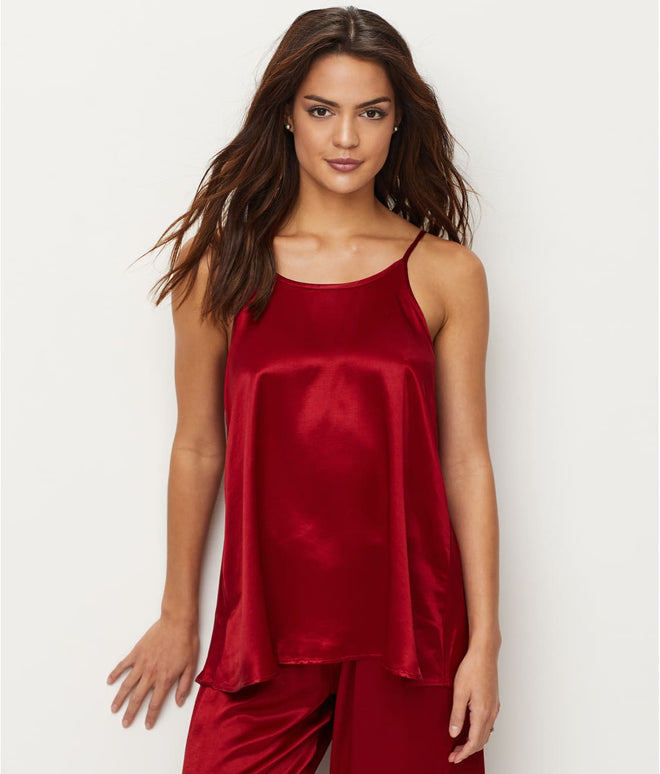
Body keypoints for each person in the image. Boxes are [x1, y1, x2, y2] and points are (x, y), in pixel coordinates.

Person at [107, 6, 501, 772]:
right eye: (322, 111)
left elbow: (466, 460)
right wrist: (178, 614)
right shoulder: (220, 268)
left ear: (398, 122)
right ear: (287, 115)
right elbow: (198, 446)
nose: (346, 138)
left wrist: (484, 643)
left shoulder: (447, 273)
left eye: (371, 113)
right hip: (264, 630)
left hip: (413, 630)